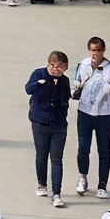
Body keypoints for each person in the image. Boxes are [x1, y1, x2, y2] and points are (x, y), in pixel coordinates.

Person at [25, 51, 73, 207]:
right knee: (41, 155)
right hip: (40, 122)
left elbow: (66, 99)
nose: (55, 69)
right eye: (52, 65)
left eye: (60, 66)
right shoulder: (39, 74)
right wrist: (42, 83)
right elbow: (28, 89)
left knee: (57, 159)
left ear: (65, 67)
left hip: (59, 125)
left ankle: (57, 193)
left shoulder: (65, 81)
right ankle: (42, 184)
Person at [75, 36, 110, 196]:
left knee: (104, 149)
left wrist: (107, 88)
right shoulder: (83, 65)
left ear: (103, 51)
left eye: (98, 50)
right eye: (93, 50)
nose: (95, 53)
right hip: (85, 113)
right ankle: (83, 177)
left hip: (105, 115)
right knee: (83, 147)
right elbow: (77, 82)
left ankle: (102, 186)